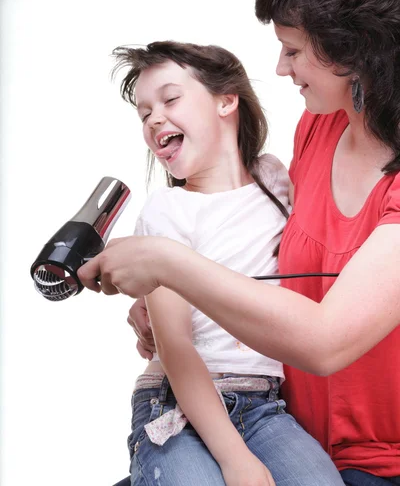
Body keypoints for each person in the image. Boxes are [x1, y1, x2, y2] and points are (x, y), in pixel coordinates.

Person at [78, 0, 400, 486]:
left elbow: (326, 339)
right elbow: (262, 262)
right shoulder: (315, 132)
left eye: (293, 50)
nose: (279, 68)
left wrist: (167, 264)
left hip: (369, 463)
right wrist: (171, 301)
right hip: (284, 426)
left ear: (355, 49)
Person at [107, 40, 344, 486]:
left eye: (170, 99)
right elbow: (175, 347)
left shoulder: (274, 179)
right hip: (174, 403)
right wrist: (235, 459)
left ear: (227, 100)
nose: (154, 117)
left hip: (263, 406)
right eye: (144, 113)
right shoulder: (166, 211)